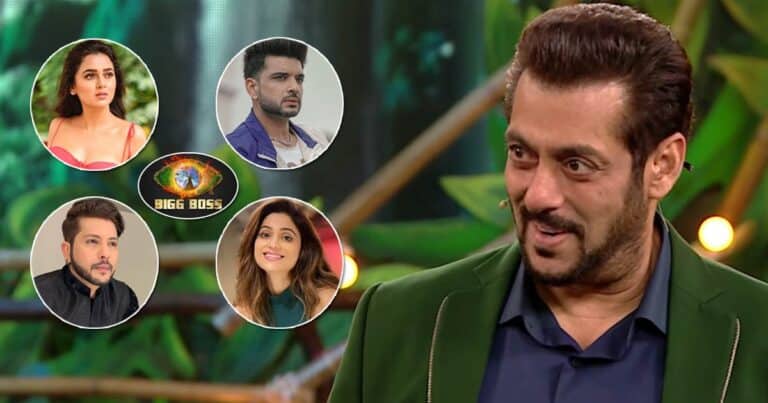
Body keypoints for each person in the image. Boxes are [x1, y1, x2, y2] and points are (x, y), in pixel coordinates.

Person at [330, 4, 768, 403]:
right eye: (521, 154)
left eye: (576, 165)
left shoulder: (757, 338)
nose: (538, 195)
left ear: (663, 166)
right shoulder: (397, 321)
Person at [233, 199, 339, 327]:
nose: (273, 244)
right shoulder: (241, 311)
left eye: (286, 237)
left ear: (304, 248)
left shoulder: (325, 299)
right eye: (265, 234)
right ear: (252, 243)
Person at [225, 38, 329, 169]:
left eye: (299, 79)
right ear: (253, 88)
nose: (295, 88)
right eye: (281, 78)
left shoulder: (316, 138)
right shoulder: (236, 148)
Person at [34, 198, 138, 328]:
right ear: (67, 250)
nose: (105, 254)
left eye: (112, 243)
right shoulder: (40, 294)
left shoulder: (125, 297)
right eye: (92, 241)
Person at [46, 40, 147, 170]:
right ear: (72, 86)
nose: (102, 84)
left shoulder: (133, 136)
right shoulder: (57, 126)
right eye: (90, 76)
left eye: (108, 75)